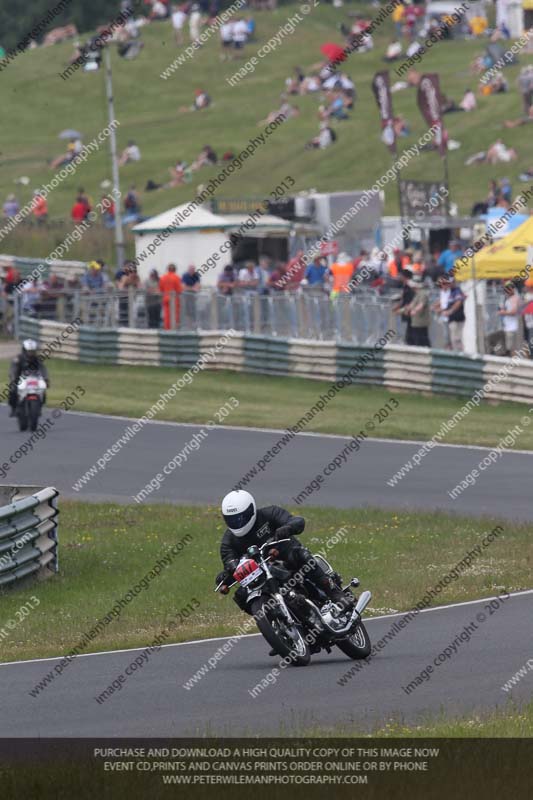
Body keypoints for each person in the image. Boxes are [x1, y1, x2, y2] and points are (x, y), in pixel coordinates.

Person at [216, 490, 354, 615]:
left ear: (251, 510)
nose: (238, 523)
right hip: (261, 574)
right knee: (241, 595)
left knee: (300, 555)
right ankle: (276, 623)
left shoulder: (269, 514)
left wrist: (288, 527)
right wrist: (227, 573)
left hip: (285, 556)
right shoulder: (228, 542)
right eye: (232, 519)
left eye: (241, 517)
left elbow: (297, 521)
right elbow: (230, 562)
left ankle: (334, 593)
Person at [8, 339, 49, 417]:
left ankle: (39, 407)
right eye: (29, 351)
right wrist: (13, 378)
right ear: (24, 350)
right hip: (20, 378)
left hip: (34, 378)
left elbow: (43, 369)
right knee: (12, 391)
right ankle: (13, 409)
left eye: (32, 351)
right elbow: (13, 369)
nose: (31, 353)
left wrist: (46, 379)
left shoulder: (37, 359)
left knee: (42, 390)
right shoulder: (18, 359)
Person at [433, 275, 465, 351]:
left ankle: (458, 352)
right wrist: (437, 307)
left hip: (457, 318)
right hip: (450, 318)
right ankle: (452, 350)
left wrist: (450, 311)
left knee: (456, 337)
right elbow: (444, 302)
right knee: (449, 336)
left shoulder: (456, 291)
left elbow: (458, 302)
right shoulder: (447, 291)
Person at [406, 273, 430, 347]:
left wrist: (414, 311)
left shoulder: (423, 293)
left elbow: (421, 305)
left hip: (421, 321)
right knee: (417, 338)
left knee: (422, 339)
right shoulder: (417, 294)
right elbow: (412, 304)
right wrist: (404, 310)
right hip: (416, 321)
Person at [498, 280, 521, 356]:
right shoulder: (507, 298)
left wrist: (503, 312)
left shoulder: (515, 298)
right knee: (508, 346)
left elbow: (514, 311)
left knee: (512, 347)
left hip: (512, 327)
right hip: (507, 326)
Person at [392, 268, 415, 345]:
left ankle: (409, 342)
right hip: (405, 310)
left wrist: (405, 308)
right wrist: (397, 307)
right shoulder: (404, 286)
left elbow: (413, 299)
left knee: (410, 327)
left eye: (401, 275)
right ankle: (407, 341)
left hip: (409, 310)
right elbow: (403, 298)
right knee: (407, 326)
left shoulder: (411, 286)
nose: (399, 276)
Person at [159, 263, 182, 329]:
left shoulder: (163, 277)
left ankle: (167, 329)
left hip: (166, 299)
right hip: (175, 300)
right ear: (175, 270)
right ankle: (173, 329)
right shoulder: (177, 277)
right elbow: (179, 290)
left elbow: (161, 289)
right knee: (175, 316)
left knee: (166, 316)